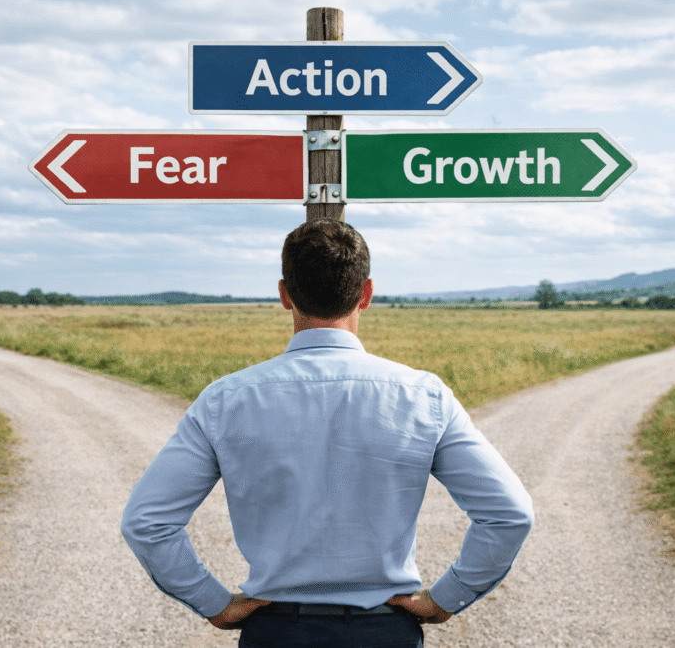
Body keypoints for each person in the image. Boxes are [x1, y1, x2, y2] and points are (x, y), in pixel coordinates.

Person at [121, 219, 533, 647]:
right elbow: (509, 514)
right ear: (366, 294)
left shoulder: (226, 399)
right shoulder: (423, 395)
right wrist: (446, 598)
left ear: (284, 294)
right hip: (385, 633)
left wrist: (214, 602)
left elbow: (147, 522)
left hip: (276, 633)